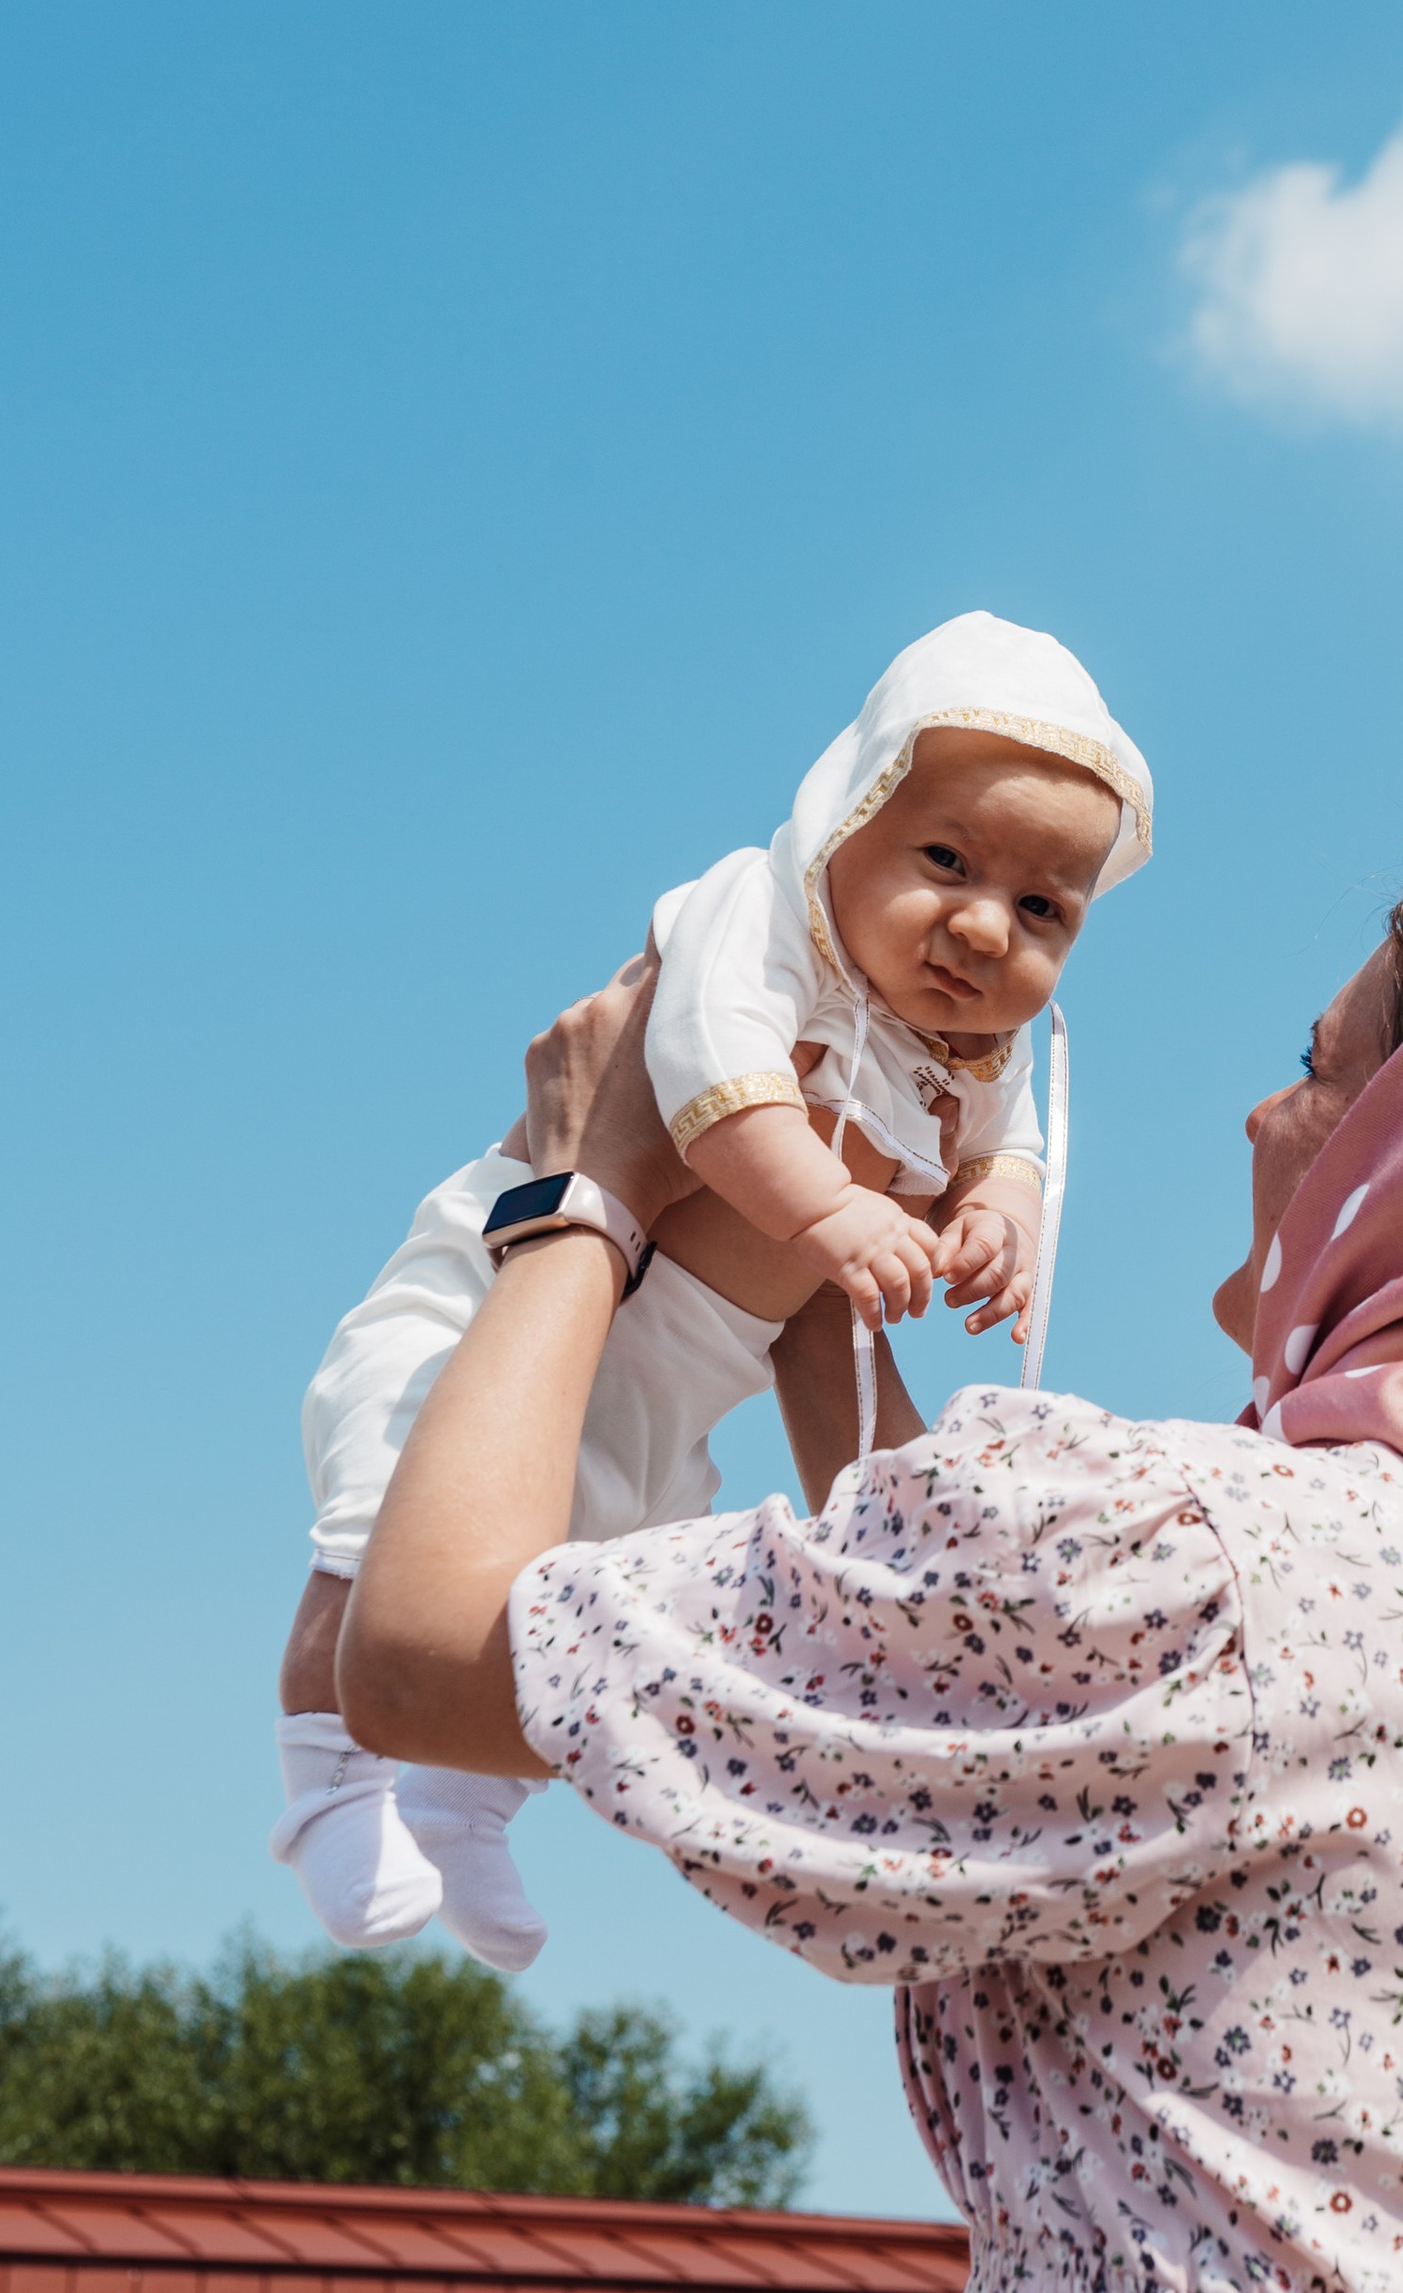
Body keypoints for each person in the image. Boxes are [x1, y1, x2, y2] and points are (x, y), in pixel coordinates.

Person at [337, 865, 1403, 2293]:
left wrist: (584, 1186)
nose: (1262, 1119)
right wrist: (813, 1278)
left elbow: (419, 1653)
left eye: (1316, 1069)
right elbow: (974, 1680)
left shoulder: (1210, 1568)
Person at [270, 611, 1153, 1971]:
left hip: (682, 1379)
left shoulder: (977, 1046)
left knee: (570, 1579)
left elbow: (1010, 1145)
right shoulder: (766, 918)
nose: (986, 927)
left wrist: (1000, 1213)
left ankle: (470, 1803)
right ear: (844, 820)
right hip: (506, 1299)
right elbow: (694, 1077)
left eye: (1044, 909)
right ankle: (328, 1783)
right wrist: (837, 1207)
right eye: (946, 861)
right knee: (389, 1512)